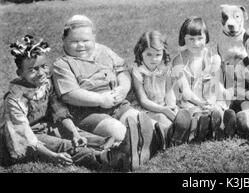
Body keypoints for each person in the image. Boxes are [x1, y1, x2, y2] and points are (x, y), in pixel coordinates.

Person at [52, 15, 164, 168]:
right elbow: (70, 94)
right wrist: (100, 99)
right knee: (118, 131)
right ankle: (138, 147)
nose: (80, 46)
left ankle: (157, 137)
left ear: (94, 38)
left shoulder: (104, 51)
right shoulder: (62, 64)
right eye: (74, 41)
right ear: (64, 41)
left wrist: (123, 89)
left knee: (144, 122)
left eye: (85, 41)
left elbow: (122, 70)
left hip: (117, 104)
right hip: (87, 113)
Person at [0, 35, 127, 170]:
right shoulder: (15, 99)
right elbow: (25, 136)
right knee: (61, 145)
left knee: (79, 135)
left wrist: (74, 133)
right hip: (22, 138)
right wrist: (53, 156)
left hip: (45, 126)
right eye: (32, 70)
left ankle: (116, 147)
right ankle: (101, 157)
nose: (41, 73)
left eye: (43, 66)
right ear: (20, 72)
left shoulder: (46, 84)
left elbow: (58, 110)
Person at [171, 16, 226, 143]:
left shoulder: (214, 58)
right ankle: (200, 126)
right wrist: (200, 104)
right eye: (191, 39)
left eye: (200, 38)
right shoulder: (178, 60)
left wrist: (210, 102)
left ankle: (216, 124)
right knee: (190, 111)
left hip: (210, 96)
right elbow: (185, 91)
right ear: (183, 39)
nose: (196, 43)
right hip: (191, 99)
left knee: (217, 107)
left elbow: (214, 86)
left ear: (206, 37)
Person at [131, 31, 177, 146]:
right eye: (149, 54)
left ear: (163, 53)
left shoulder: (164, 68)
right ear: (141, 53)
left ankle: (183, 130)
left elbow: (169, 91)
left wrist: (171, 106)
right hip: (148, 108)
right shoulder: (138, 70)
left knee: (177, 114)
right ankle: (166, 136)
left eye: (158, 55)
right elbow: (143, 100)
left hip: (163, 105)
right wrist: (163, 109)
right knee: (161, 119)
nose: (154, 59)